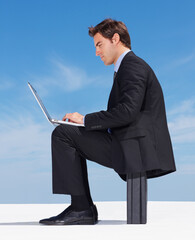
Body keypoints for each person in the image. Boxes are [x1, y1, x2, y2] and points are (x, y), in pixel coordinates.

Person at [39, 18, 176, 225]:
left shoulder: (133, 66)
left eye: (99, 45)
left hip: (134, 148)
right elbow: (125, 113)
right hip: (128, 142)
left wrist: (85, 120)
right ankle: (81, 208)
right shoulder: (126, 67)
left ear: (115, 39)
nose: (96, 52)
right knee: (67, 131)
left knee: (63, 134)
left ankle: (81, 209)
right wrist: (83, 123)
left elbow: (127, 112)